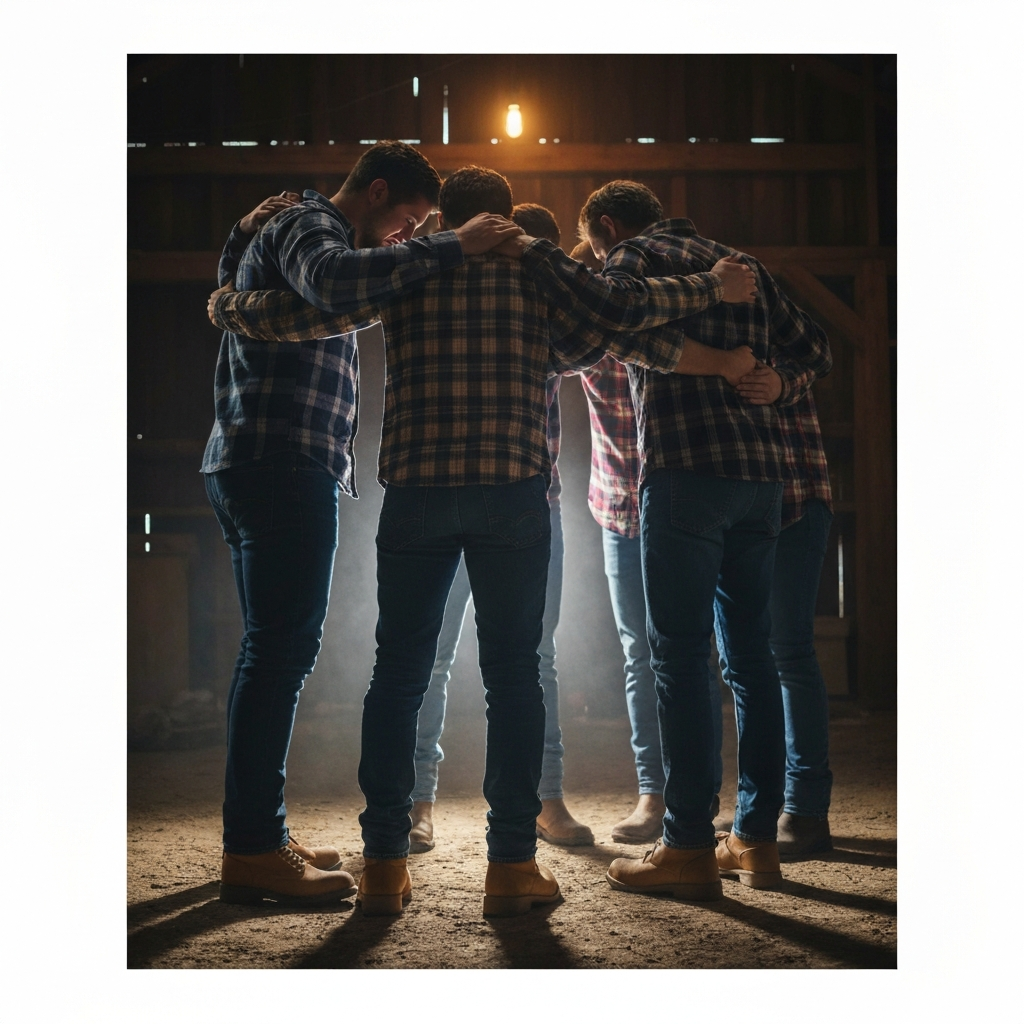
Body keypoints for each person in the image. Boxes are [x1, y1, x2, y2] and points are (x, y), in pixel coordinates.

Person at [209, 165, 758, 916]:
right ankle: (510, 865)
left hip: (416, 495)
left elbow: (309, 317)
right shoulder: (543, 277)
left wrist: (230, 305)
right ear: (507, 220)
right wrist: (706, 291)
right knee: (514, 677)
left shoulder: (402, 275)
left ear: (449, 221)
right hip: (511, 496)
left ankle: (384, 865)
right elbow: (623, 316)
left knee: (398, 675)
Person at [203, 142, 521, 907]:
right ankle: (250, 847)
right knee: (278, 657)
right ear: (377, 192)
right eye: (406, 220)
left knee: (270, 654)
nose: (405, 238)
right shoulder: (315, 224)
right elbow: (333, 281)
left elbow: (266, 291)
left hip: (259, 458)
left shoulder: (281, 226)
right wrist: (457, 243)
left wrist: (233, 264)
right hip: (282, 459)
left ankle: (257, 829)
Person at [559, 181, 831, 900]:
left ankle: (685, 845)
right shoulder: (742, 264)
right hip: (761, 481)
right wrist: (777, 382)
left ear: (607, 228)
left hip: (685, 475)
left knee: (678, 659)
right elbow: (815, 350)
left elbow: (608, 325)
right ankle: (755, 839)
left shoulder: (633, 260)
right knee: (752, 660)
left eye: (592, 245)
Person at [407, 203, 592, 856]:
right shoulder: (459, 290)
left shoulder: (546, 308)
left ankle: (545, 800)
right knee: (429, 659)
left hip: (530, 502)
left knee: (532, 659)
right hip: (458, 491)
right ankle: (417, 804)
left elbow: (594, 327)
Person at [727, 360, 836, 857]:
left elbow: (816, 357)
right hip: (757, 499)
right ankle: (767, 809)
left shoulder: (777, 318)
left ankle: (806, 808)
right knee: (753, 661)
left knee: (787, 655)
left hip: (790, 496)